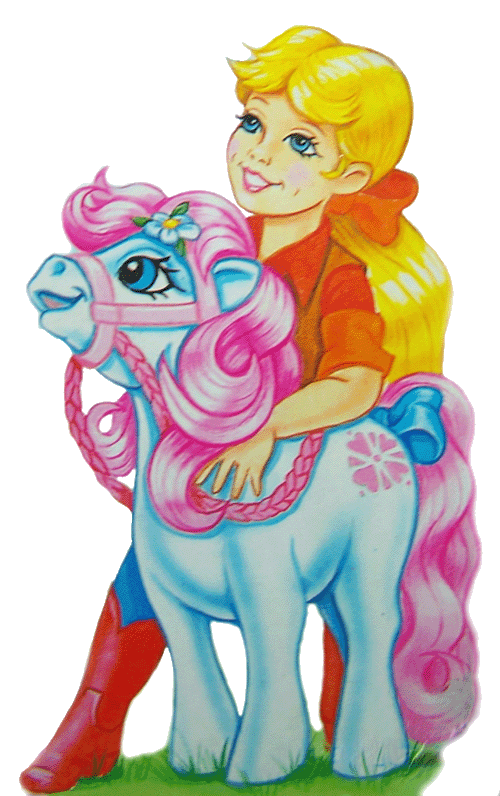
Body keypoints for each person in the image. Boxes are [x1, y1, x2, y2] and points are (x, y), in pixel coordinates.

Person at [21, 26, 452, 793]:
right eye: (253, 124)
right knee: (149, 564)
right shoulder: (206, 239)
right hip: (191, 461)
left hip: (299, 463)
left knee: (328, 598)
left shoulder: (339, 273)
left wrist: (268, 427)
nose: (259, 154)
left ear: (350, 174)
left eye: (299, 144)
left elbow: (356, 383)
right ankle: (102, 720)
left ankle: (342, 717)